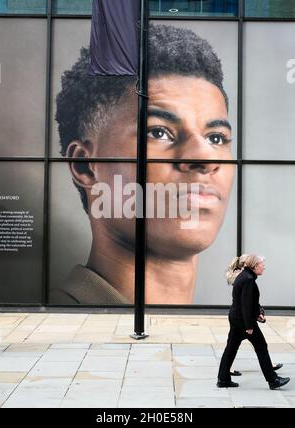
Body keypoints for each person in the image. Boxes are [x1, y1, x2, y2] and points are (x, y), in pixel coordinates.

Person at [51, 23, 235, 305]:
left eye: (216, 137)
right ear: (85, 166)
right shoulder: (62, 336)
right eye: (158, 132)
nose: (205, 158)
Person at [217, 255, 290, 390]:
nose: (264, 267)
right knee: (261, 347)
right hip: (243, 322)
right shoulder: (249, 280)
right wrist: (249, 326)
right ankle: (273, 380)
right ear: (255, 266)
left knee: (231, 348)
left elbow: (250, 303)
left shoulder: (244, 276)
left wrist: (259, 314)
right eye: (262, 264)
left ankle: (223, 379)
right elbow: (246, 305)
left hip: (236, 318)